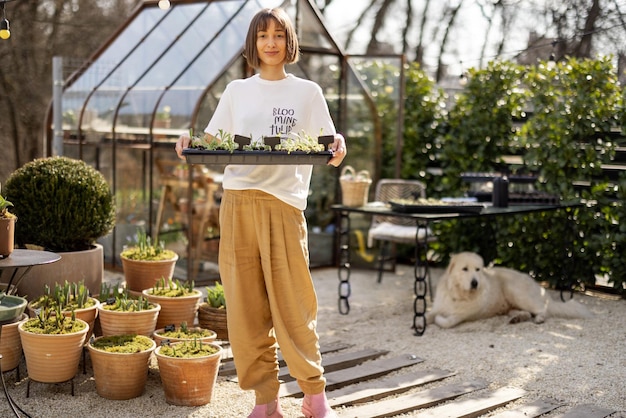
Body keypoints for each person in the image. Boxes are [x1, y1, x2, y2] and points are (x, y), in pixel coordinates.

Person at [175, 7, 346, 418]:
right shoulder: (237, 91)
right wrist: (187, 139)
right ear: (252, 44)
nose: (271, 42)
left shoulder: (308, 93)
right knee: (245, 307)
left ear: (290, 43)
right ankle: (265, 401)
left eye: (279, 35)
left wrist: (338, 141)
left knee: (293, 305)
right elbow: (212, 141)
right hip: (237, 204)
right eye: (263, 35)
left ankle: (314, 393)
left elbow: (330, 148)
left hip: (284, 205)